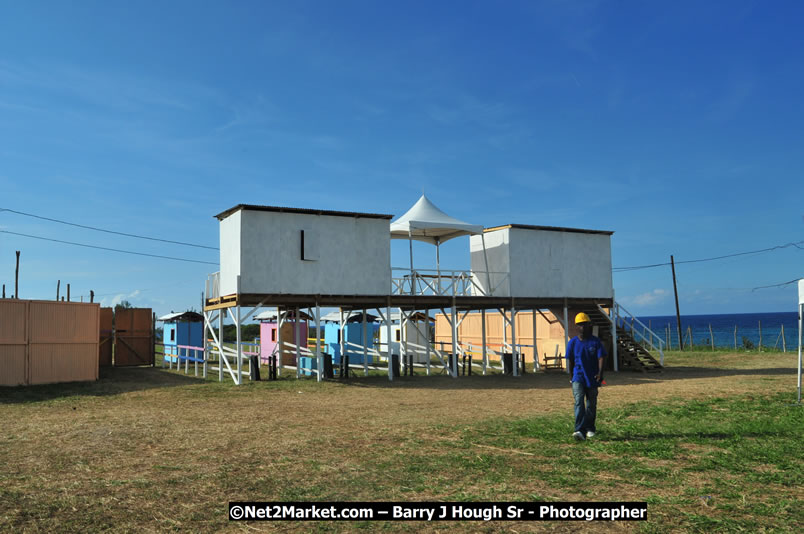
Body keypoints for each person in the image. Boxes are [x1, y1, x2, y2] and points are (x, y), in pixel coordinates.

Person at [566, 312, 606, 441]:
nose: (582, 327)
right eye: (580, 325)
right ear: (576, 326)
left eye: (585, 324)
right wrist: (572, 377)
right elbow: (571, 360)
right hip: (578, 377)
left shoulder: (596, 342)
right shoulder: (572, 343)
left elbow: (601, 357)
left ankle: (590, 428)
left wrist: (600, 373)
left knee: (591, 404)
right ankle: (579, 430)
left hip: (593, 377)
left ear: (590, 325)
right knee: (579, 403)